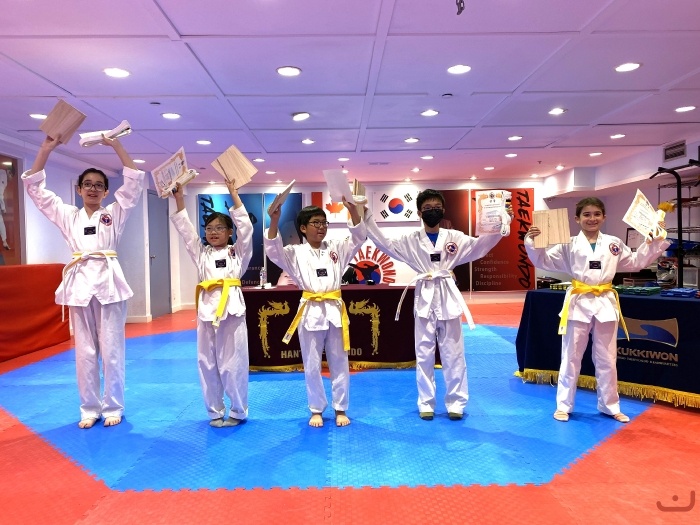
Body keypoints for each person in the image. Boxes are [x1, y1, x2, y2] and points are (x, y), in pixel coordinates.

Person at [22, 134, 145, 429]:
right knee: (85, 353)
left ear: (105, 192)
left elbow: (133, 183)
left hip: (109, 285)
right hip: (79, 285)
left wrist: (116, 145)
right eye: (87, 184)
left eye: (98, 185)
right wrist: (46, 148)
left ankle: (113, 406)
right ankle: (89, 408)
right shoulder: (68, 215)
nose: (92, 189)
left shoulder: (113, 213)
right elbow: (36, 190)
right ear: (78, 189)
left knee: (112, 351)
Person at [363, 189, 512, 421]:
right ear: (419, 212)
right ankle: (426, 402)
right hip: (424, 299)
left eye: (436, 208)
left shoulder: (455, 237)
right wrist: (365, 215)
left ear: (443, 210)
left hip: (448, 298)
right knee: (423, 354)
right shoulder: (410, 240)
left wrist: (500, 220)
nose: (432, 211)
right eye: (427, 208)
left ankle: (456, 402)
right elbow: (383, 242)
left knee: (454, 354)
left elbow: (480, 246)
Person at [525, 197, 670, 423]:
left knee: (607, 358)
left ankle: (610, 406)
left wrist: (653, 242)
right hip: (578, 302)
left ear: (604, 217)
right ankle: (564, 405)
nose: (591, 218)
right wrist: (532, 242)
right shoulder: (568, 243)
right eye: (586, 214)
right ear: (577, 219)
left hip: (605, 302)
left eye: (596, 214)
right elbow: (544, 260)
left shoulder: (613, 243)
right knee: (571, 357)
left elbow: (635, 262)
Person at [264, 199, 366, 427]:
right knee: (311, 364)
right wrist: (274, 219)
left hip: (334, 309)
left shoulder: (336, 248)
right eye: (316, 223)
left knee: (340, 361)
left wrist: (353, 210)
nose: (321, 227)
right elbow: (272, 250)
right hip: (310, 310)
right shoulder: (294, 252)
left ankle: (341, 408)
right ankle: (316, 409)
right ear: (303, 228)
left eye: (324, 223)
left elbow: (359, 238)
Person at [170, 180, 253, 427]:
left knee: (233, 364)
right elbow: (187, 232)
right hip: (207, 312)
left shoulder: (237, 252)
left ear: (230, 232)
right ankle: (214, 411)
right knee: (207, 363)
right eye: (209, 228)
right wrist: (179, 198)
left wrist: (234, 194)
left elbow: (247, 229)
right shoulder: (202, 254)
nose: (213, 232)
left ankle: (238, 410)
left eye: (219, 228)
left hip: (232, 311)